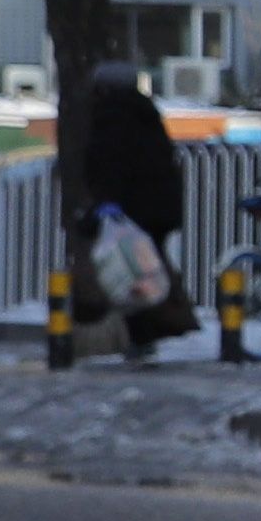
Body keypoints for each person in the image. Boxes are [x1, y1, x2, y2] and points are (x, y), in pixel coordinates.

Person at [60, 57, 195, 362]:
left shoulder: (111, 117)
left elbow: (110, 166)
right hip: (156, 211)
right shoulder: (147, 114)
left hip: (131, 212)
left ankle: (143, 333)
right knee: (147, 270)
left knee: (129, 274)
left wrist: (105, 205)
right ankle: (153, 329)